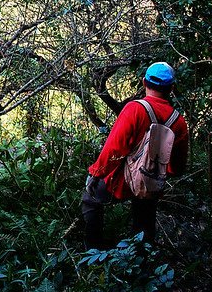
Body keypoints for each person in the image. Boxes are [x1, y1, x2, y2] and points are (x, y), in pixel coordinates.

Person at [81, 61, 189, 250]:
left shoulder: (136, 109)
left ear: (144, 82)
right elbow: (177, 167)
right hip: (153, 184)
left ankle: (93, 254)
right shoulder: (179, 122)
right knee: (144, 222)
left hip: (123, 181)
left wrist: (95, 173)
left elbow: (114, 149)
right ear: (171, 88)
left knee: (90, 199)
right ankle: (141, 264)